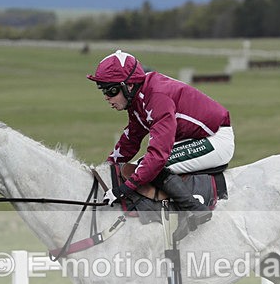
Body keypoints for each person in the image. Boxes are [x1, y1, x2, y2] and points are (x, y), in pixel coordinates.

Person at [88, 50, 235, 236]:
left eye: (112, 90)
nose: (107, 97)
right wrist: (107, 168)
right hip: (197, 138)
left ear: (129, 86)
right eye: (103, 91)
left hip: (216, 139)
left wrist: (123, 189)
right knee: (143, 166)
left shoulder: (157, 97)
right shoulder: (138, 99)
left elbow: (157, 156)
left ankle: (195, 209)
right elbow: (131, 138)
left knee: (150, 165)